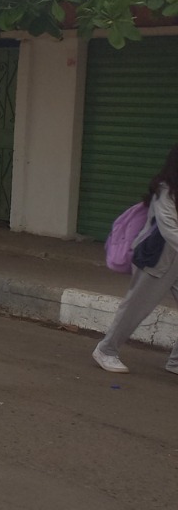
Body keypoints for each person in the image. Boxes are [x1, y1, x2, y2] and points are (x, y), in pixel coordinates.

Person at [93, 143, 178, 376]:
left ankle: (176, 362)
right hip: (157, 259)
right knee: (136, 308)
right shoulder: (165, 190)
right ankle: (106, 350)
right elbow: (169, 228)